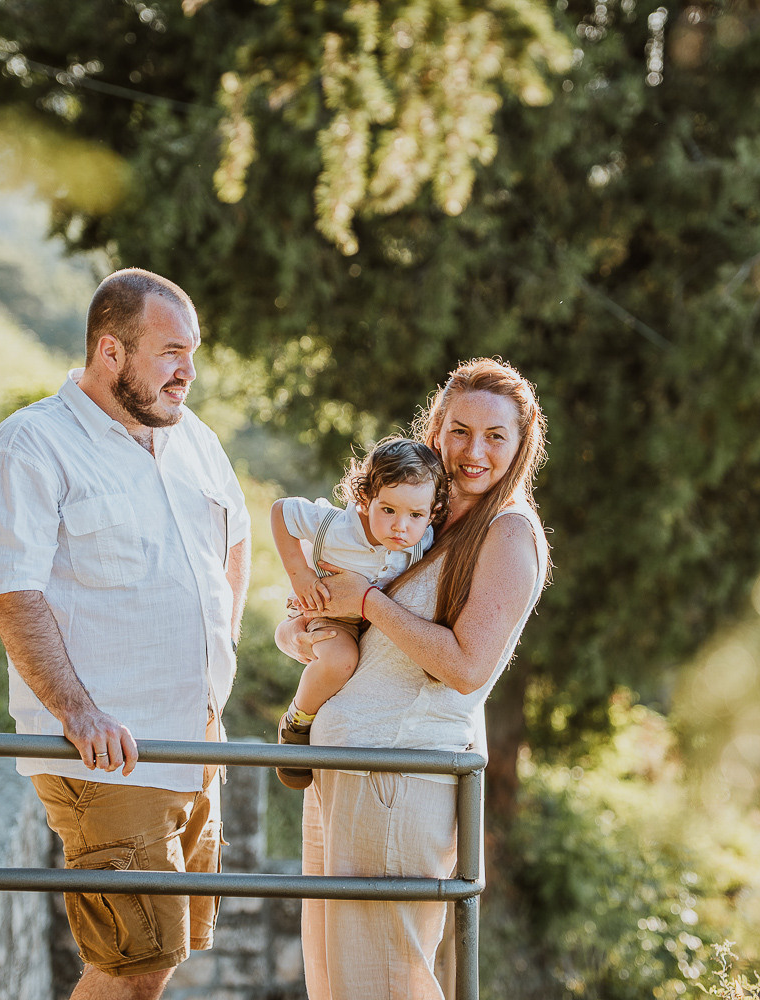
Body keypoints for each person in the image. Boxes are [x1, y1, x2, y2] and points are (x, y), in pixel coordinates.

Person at [0, 268, 251, 1000]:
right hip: (106, 757)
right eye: (169, 352)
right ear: (110, 351)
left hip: (192, 744)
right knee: (134, 969)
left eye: (191, 353)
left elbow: (236, 543)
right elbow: (11, 589)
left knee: (153, 962)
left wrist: (219, 659)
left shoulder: (195, 441)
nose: (186, 371)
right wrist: (78, 711)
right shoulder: (32, 443)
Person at [275, 357, 551, 1000]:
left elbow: (464, 666)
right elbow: (367, 643)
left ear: (521, 444)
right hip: (351, 771)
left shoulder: (508, 533)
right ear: (435, 428)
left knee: (385, 983)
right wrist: (308, 621)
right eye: (458, 430)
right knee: (341, 982)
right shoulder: (419, 521)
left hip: (398, 779)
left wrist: (369, 604)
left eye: (494, 436)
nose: (473, 451)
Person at [269, 436, 448, 789]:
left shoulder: (422, 540)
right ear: (366, 499)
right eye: (389, 510)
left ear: (433, 514)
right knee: (340, 661)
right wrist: (301, 575)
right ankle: (297, 721)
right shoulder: (332, 526)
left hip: (378, 622)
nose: (401, 526)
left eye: (415, 515)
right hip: (331, 610)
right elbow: (280, 512)